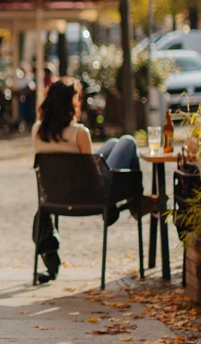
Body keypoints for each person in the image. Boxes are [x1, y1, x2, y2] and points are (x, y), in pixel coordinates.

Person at [30, 77, 145, 284]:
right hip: (89, 195)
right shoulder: (79, 133)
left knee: (111, 143)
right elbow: (93, 176)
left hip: (55, 197)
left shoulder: (37, 130)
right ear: (70, 103)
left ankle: (137, 202)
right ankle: (137, 202)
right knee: (127, 142)